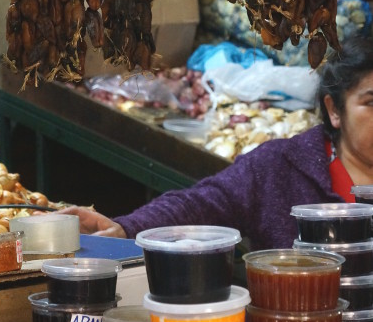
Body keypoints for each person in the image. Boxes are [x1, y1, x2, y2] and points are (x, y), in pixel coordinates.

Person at [62, 35, 373, 250]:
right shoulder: (283, 167)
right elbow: (202, 203)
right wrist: (127, 229)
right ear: (334, 110)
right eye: (370, 102)